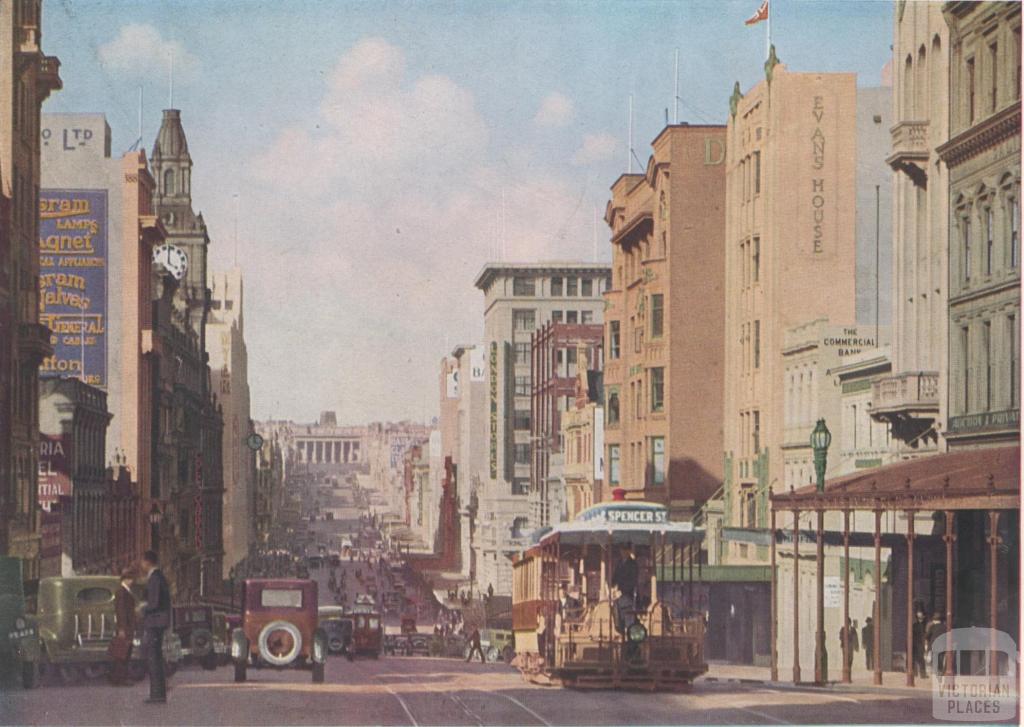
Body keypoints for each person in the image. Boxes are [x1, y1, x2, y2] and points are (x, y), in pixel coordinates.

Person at [140, 550, 171, 704]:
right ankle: (158, 693)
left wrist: (142, 608)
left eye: (142, 562)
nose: (141, 565)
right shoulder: (160, 577)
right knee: (155, 658)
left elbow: (154, 602)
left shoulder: (154, 578)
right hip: (159, 621)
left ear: (147, 562)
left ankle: (157, 695)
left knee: (153, 659)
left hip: (155, 622)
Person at [108, 570, 136, 686]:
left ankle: (120, 678)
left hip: (128, 626)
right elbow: (121, 611)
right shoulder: (121, 592)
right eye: (130, 579)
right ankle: (120, 679)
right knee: (122, 654)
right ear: (125, 579)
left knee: (125, 653)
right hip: (125, 627)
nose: (132, 581)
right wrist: (122, 628)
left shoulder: (126, 591)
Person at [911, 609, 928, 678]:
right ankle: (922, 674)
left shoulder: (915, 625)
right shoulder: (924, 625)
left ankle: (916, 673)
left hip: (916, 644)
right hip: (919, 644)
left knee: (916, 659)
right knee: (920, 659)